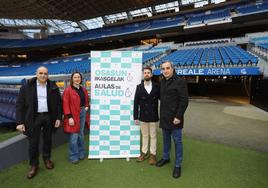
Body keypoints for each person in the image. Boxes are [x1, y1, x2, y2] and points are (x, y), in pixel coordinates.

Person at [16, 66, 62, 179]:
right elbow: (19, 105)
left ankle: (47, 159)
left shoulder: (53, 86)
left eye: (45, 73)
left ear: (48, 75)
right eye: (41, 73)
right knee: (33, 143)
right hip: (33, 118)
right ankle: (34, 165)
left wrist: (58, 118)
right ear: (36, 74)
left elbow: (59, 104)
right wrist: (20, 122)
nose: (43, 75)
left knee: (48, 140)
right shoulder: (26, 87)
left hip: (48, 117)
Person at [155, 61, 189, 179]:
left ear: (172, 68)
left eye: (167, 68)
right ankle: (166, 158)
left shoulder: (180, 81)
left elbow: (184, 101)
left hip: (175, 119)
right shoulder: (162, 81)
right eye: (163, 68)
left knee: (177, 142)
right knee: (166, 140)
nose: (165, 70)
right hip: (164, 118)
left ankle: (178, 165)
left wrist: (178, 117)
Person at [134, 67, 160, 165]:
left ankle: (153, 155)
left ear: (151, 74)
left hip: (153, 115)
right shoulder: (139, 87)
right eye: (145, 73)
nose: (147, 74)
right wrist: (135, 116)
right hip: (143, 116)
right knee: (144, 135)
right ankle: (144, 153)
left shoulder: (157, 86)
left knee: (153, 136)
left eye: (148, 73)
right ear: (143, 75)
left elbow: (163, 100)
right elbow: (136, 103)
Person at [62, 72, 90, 164]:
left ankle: (81, 152)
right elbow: (65, 104)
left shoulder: (83, 89)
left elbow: (86, 100)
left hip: (82, 113)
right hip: (73, 115)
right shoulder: (68, 90)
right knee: (74, 136)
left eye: (78, 77)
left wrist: (86, 106)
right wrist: (69, 117)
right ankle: (73, 155)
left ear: (81, 79)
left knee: (81, 134)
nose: (77, 78)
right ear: (72, 79)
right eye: (75, 77)